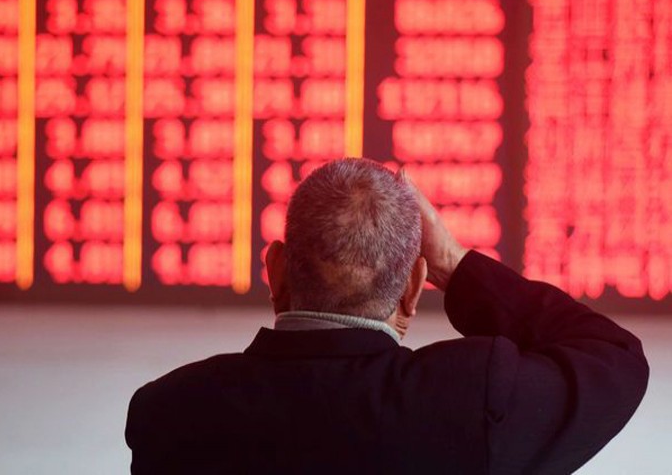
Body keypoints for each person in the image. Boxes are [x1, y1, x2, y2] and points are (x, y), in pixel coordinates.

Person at [125, 158, 649, 474]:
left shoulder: (168, 414)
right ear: (414, 289)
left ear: (275, 269)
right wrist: (456, 265)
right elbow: (615, 358)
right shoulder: (469, 399)